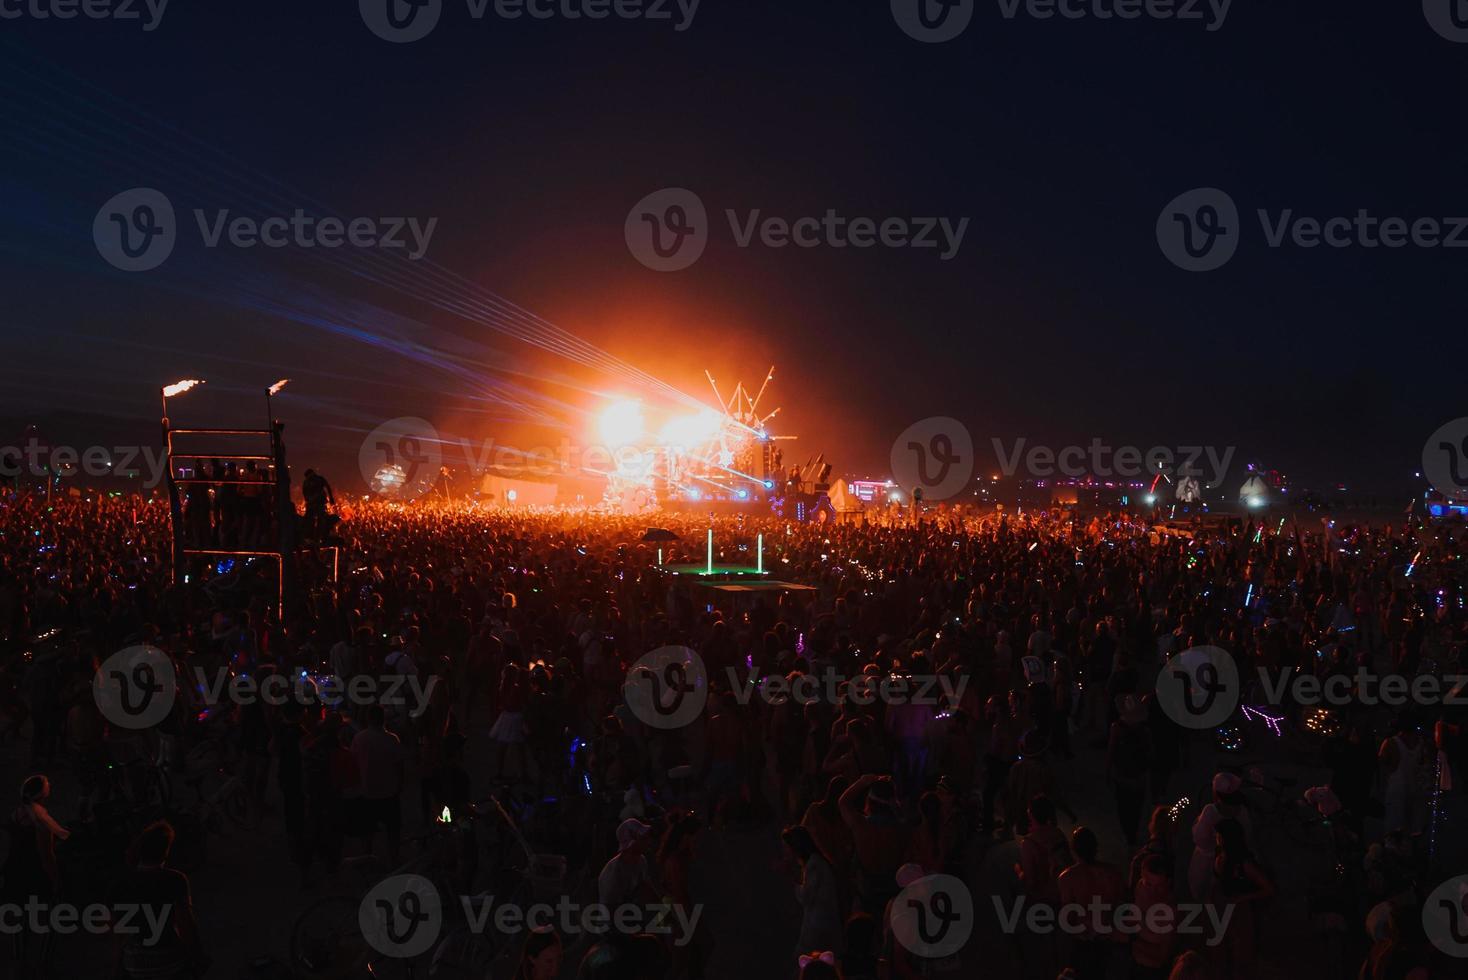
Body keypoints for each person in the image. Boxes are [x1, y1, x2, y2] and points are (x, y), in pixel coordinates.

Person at [108, 821, 206, 980]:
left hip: (135, 964)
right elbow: (186, 924)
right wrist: (198, 956)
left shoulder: (119, 884)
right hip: (170, 961)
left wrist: (116, 967)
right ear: (166, 852)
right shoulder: (175, 880)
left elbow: (118, 934)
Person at [1057, 826, 1123, 980]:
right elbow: (1121, 905)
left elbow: (1068, 916)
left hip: (1083, 940)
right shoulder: (1113, 873)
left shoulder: (1067, 877)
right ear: (1096, 847)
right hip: (1109, 938)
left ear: (1074, 850)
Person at [351, 704, 405, 863]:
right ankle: (393, 860)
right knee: (393, 831)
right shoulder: (392, 739)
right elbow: (399, 766)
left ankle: (368, 858)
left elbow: (353, 763)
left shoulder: (359, 738)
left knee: (367, 831)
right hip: (389, 792)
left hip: (367, 791)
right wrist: (400, 785)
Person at [782, 825, 843, 957]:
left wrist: (790, 878)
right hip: (821, 923)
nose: (785, 851)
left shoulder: (814, 865)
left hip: (819, 926)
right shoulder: (814, 863)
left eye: (787, 846)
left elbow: (805, 897)